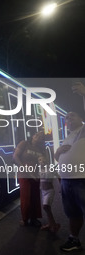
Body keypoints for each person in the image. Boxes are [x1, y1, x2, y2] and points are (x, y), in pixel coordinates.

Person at [56, 81, 85, 252]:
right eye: (66, 117)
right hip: (66, 182)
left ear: (81, 119)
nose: (68, 118)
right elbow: (57, 157)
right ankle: (74, 240)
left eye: (72, 115)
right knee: (73, 214)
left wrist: (83, 94)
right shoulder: (66, 137)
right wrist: (58, 151)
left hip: (82, 180)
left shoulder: (83, 131)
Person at [13, 131, 46, 227]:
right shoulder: (24, 143)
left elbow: (44, 162)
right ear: (33, 136)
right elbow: (15, 156)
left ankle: (34, 218)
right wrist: (26, 170)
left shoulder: (41, 149)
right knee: (26, 197)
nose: (39, 137)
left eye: (41, 137)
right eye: (37, 135)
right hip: (24, 174)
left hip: (36, 175)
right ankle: (25, 219)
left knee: (35, 197)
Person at [38, 155, 60, 233]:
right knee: (47, 209)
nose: (42, 162)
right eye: (40, 160)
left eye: (43, 160)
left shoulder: (50, 169)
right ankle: (51, 224)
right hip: (43, 192)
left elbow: (59, 177)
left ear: (47, 161)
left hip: (49, 191)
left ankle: (53, 225)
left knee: (45, 207)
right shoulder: (38, 169)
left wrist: (61, 187)